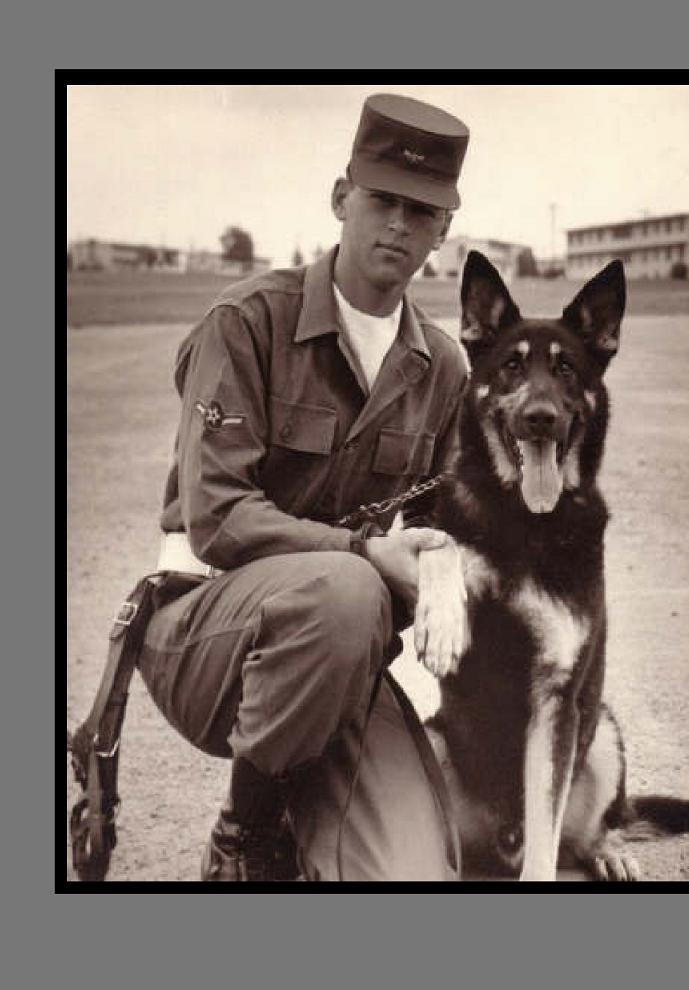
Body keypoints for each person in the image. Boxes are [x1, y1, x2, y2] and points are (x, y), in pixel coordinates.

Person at [137, 93, 470, 881]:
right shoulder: (246, 321)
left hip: (338, 662)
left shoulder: (445, 368)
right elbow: (216, 519)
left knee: (414, 877)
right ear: (340, 199)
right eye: (381, 199)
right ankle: (245, 832)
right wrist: (365, 554)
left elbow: (437, 530)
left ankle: (303, 807)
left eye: (420, 210)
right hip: (203, 634)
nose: (397, 223)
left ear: (442, 232)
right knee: (347, 588)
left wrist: (444, 565)